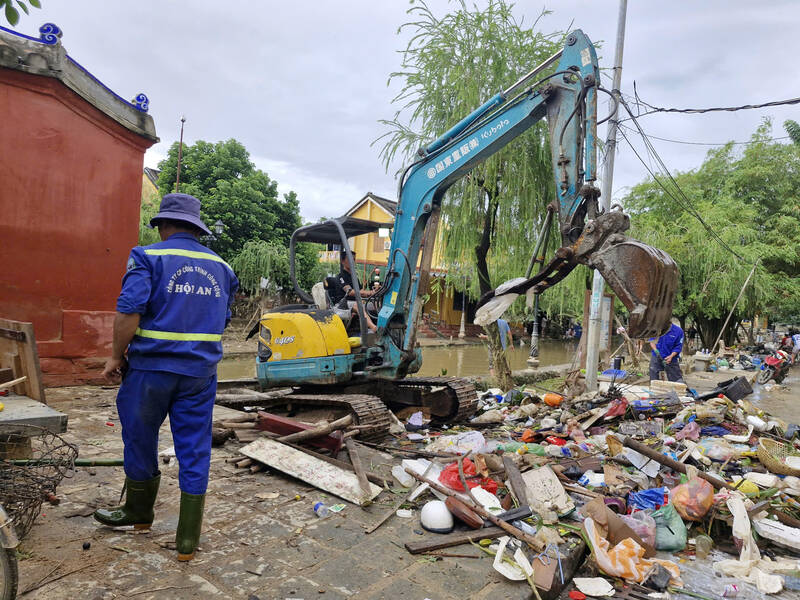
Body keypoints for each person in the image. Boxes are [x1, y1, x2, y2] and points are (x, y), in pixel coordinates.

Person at [93, 193, 238, 562]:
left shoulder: (147, 257)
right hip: (199, 375)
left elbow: (129, 311)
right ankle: (187, 539)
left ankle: (139, 512)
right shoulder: (223, 268)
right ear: (197, 229)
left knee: (140, 437)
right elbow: (222, 319)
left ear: (162, 225)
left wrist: (115, 356)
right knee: (194, 447)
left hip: (150, 371)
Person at [333, 250, 377, 332]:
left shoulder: (354, 277)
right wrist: (369, 292)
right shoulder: (341, 277)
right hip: (344, 304)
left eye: (353, 259)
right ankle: (374, 328)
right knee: (358, 305)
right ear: (343, 261)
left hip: (355, 303)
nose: (352, 261)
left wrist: (373, 292)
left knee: (377, 304)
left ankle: (383, 327)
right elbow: (350, 292)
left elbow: (361, 292)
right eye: (349, 259)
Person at [648, 318, 684, 383]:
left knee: (677, 380)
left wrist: (671, 356)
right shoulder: (656, 329)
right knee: (654, 378)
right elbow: (652, 341)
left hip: (671, 358)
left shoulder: (678, 331)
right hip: (656, 356)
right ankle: (655, 388)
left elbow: (678, 346)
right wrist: (656, 351)